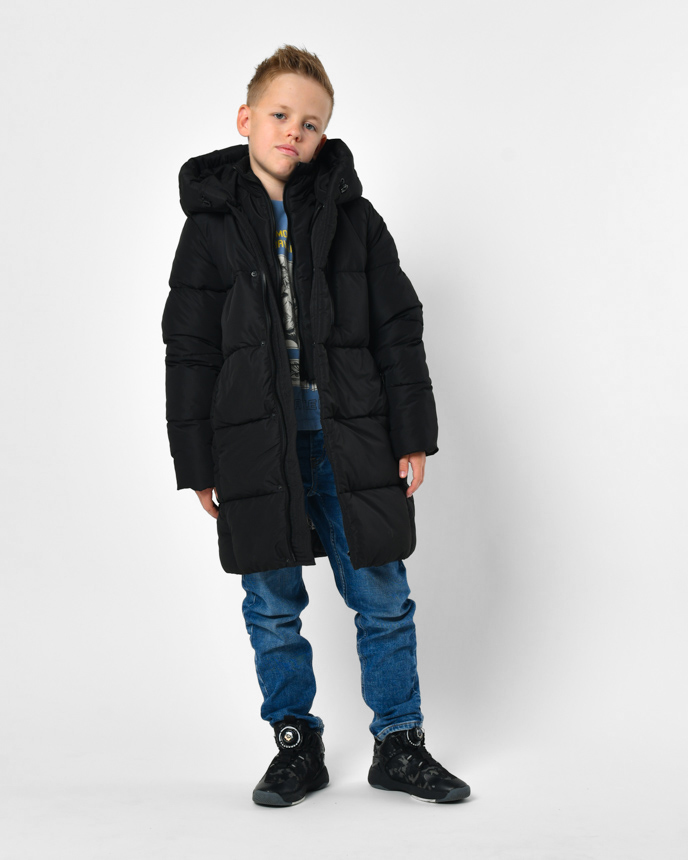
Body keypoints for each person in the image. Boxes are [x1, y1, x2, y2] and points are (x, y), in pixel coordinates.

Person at [162, 45, 470, 806]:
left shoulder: (355, 221)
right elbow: (191, 348)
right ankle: (296, 744)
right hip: (250, 441)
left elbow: (398, 328)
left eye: (311, 123)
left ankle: (399, 743)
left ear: (323, 135)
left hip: (351, 434)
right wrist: (197, 459)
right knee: (271, 603)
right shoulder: (208, 230)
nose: (293, 132)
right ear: (245, 118)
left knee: (382, 592)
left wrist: (411, 432)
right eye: (280, 115)